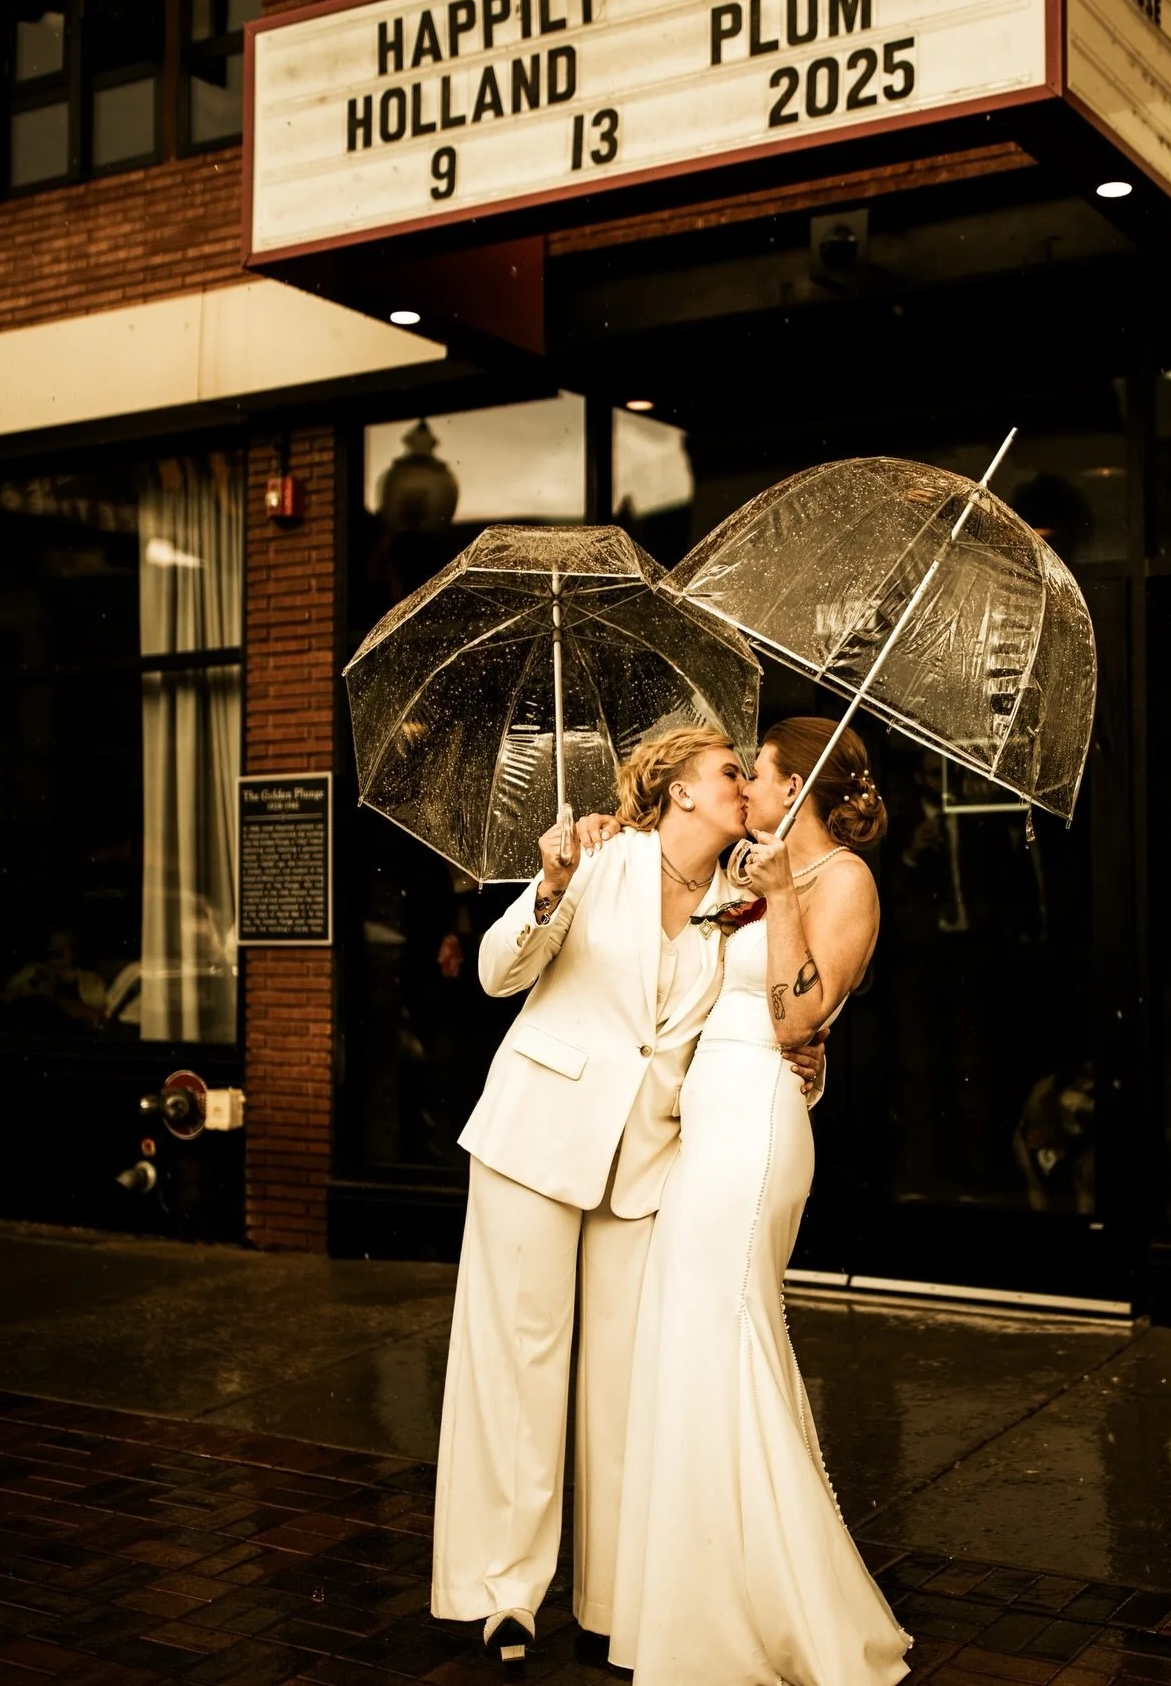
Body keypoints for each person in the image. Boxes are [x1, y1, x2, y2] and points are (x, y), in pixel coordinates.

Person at [430, 725, 823, 1665]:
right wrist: (553, 885)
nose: (745, 788)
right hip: (536, 1134)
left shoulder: (744, 901)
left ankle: (613, 1600)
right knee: (518, 1369)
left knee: (621, 1390)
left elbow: (758, 1022)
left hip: (645, 1168)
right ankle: (501, 1593)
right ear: (679, 792)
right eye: (730, 773)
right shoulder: (600, 860)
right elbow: (496, 974)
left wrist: (805, 1062)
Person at [608, 715, 913, 1686]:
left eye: (763, 773)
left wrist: (782, 899)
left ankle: (783, 1605)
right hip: (708, 1120)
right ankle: (702, 1600)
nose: (750, 789)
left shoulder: (844, 883)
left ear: (799, 786)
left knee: (734, 1330)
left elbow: (797, 1013)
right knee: (693, 1339)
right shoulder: (751, 876)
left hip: (757, 1126)